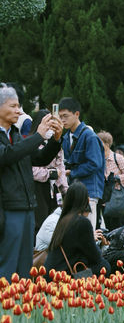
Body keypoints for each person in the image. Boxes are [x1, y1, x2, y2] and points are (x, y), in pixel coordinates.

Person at [0, 85, 63, 280]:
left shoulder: (16, 134)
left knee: (24, 264)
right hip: (9, 208)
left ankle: (21, 305)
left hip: (27, 206)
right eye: (13, 106)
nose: (19, 111)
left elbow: (39, 158)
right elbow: (7, 156)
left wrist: (55, 140)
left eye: (19, 106)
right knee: (8, 262)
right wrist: (38, 136)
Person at [45, 182, 109, 276]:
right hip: (65, 275)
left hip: (52, 273)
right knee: (104, 266)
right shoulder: (82, 222)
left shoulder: (63, 220)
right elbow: (95, 257)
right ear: (86, 200)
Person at [59, 97, 105, 229]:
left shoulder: (89, 136)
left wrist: (71, 172)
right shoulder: (66, 137)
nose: (62, 120)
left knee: (87, 231)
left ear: (76, 114)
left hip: (89, 191)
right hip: (74, 190)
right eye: (60, 116)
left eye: (66, 116)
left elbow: (95, 164)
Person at [30, 109, 67, 234]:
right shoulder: (32, 143)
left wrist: (64, 189)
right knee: (39, 222)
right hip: (38, 187)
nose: (50, 129)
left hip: (54, 188)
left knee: (53, 221)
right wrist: (50, 173)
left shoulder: (55, 143)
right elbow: (31, 169)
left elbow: (60, 165)